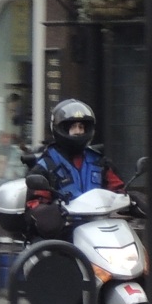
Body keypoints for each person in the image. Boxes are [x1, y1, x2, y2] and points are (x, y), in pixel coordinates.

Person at [26, 98, 126, 240]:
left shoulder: (99, 162)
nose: (78, 131)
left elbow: (118, 190)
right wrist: (47, 213)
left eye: (81, 127)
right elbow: (34, 203)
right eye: (73, 127)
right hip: (62, 237)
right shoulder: (46, 165)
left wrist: (132, 200)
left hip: (100, 232)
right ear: (61, 129)